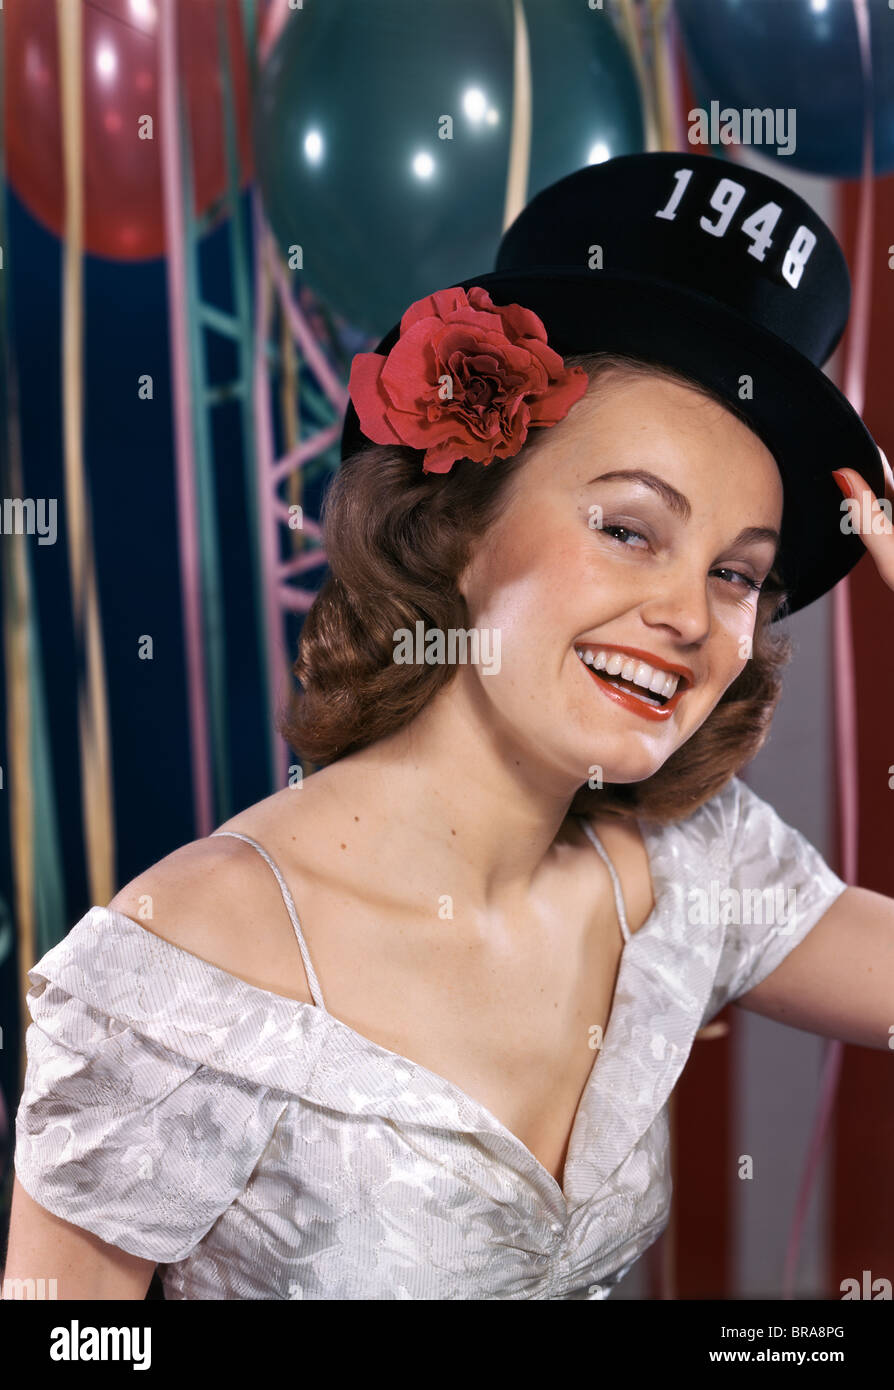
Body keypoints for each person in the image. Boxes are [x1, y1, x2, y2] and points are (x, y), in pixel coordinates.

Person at [5, 153, 894, 1301]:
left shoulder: (694, 865)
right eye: (629, 528)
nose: (687, 614)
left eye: (736, 573)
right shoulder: (181, 971)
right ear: (461, 529)